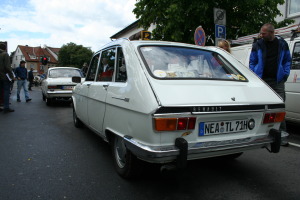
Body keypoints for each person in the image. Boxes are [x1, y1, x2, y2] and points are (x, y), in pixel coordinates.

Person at [249, 23, 291, 131]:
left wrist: (285, 74)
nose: (261, 35)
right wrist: (254, 76)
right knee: (261, 108)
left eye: (263, 33)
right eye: (261, 33)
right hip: (262, 82)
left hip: (277, 81)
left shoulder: (282, 44)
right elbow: (252, 62)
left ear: (271, 32)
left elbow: (287, 60)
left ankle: (281, 135)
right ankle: (261, 133)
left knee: (279, 108)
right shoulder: (258, 44)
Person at [0, 43, 15, 113]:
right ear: (5, 48)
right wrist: (12, 77)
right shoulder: (5, 54)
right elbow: (7, 67)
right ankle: (6, 107)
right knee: (6, 91)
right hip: (4, 76)